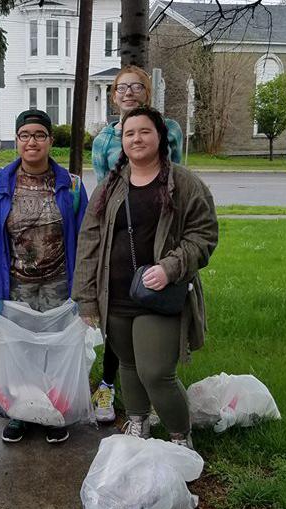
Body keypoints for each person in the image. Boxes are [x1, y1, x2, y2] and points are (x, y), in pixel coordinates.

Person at [72, 106, 218, 448]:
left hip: (160, 297)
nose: (136, 138)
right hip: (116, 294)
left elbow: (205, 234)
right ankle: (138, 425)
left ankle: (181, 436)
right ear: (121, 142)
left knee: (155, 373)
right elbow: (89, 240)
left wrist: (170, 267)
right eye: (129, 133)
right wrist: (86, 298)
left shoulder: (184, 183)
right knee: (128, 364)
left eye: (144, 131)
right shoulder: (110, 186)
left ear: (159, 136)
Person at [0, 109, 88, 445]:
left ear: (50, 141)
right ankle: (21, 414)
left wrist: (83, 290)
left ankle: (55, 412)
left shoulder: (71, 185)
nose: (32, 141)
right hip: (17, 286)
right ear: (16, 141)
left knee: (55, 353)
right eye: (25, 135)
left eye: (39, 135)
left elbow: (86, 239)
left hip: (59, 284)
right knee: (20, 352)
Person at [89, 65, 184, 424]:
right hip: (120, 242)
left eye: (136, 86)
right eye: (121, 88)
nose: (128, 92)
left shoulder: (169, 130)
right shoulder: (104, 140)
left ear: (148, 92)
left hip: (157, 239)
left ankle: (156, 394)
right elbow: (104, 196)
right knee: (120, 325)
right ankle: (108, 387)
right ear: (113, 96)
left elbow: (176, 180)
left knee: (155, 321)